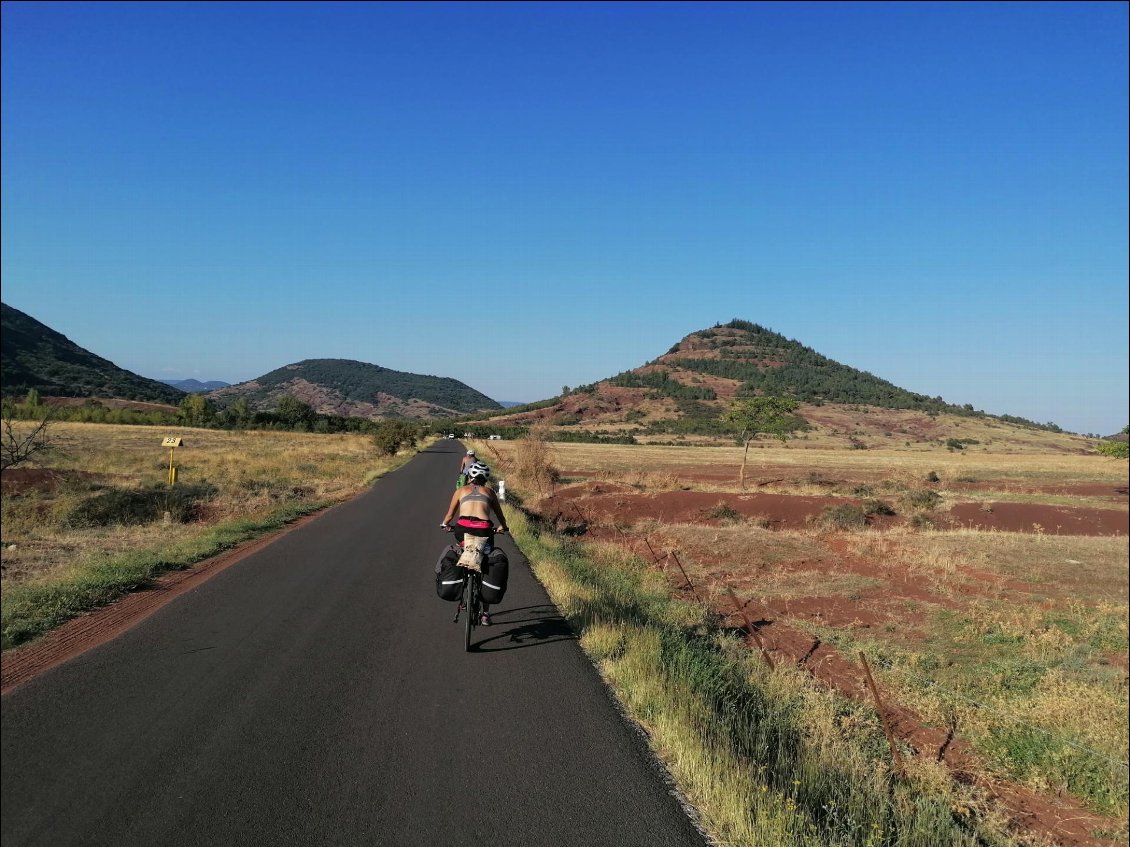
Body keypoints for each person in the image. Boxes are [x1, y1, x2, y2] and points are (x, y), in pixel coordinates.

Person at [441, 460, 508, 625]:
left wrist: (445, 524)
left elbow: (450, 515)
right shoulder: (490, 492)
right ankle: (485, 613)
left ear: (470, 476)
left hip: (462, 530)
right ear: (485, 478)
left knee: (462, 549)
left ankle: (462, 583)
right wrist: (503, 527)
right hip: (484, 530)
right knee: (485, 562)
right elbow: (500, 516)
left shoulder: (461, 490)